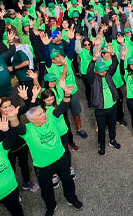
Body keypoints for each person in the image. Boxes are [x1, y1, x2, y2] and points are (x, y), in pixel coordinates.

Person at [15, 84, 83, 215]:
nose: (44, 114)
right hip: (43, 165)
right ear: (32, 120)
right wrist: (15, 115)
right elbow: (24, 119)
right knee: (46, 189)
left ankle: (71, 199)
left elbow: (62, 107)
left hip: (61, 158)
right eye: (41, 114)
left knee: (68, 180)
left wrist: (67, 94)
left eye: (43, 113)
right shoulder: (28, 130)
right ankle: (50, 206)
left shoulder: (51, 116)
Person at [87, 57, 121, 156]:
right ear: (96, 71)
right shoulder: (93, 78)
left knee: (112, 125)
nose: (105, 72)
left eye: (105, 70)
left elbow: (114, 65)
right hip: (100, 109)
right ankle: (102, 144)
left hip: (113, 106)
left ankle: (112, 140)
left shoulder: (108, 75)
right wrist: (93, 60)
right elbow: (89, 71)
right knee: (101, 128)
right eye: (102, 71)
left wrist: (114, 55)